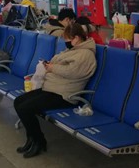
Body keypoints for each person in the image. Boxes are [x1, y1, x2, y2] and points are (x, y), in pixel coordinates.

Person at [13, 23, 97, 158]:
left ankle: (39, 141)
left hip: (65, 95)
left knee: (25, 108)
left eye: (67, 39)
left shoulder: (86, 54)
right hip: (52, 88)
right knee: (18, 101)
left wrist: (52, 68)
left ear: (76, 38)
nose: (65, 42)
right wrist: (49, 65)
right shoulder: (74, 50)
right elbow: (61, 64)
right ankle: (31, 138)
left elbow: (72, 71)